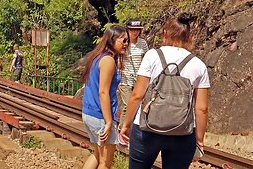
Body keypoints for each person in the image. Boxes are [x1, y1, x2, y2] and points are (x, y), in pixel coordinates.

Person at [119, 13, 210, 169]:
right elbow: (202, 108)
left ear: (165, 33)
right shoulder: (199, 65)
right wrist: (199, 139)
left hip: (146, 129)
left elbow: (137, 95)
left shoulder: (152, 55)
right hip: (182, 132)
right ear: (189, 35)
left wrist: (126, 125)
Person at [82, 25, 129, 169]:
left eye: (128, 41)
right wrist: (109, 122)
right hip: (100, 116)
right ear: (111, 40)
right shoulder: (108, 60)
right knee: (106, 163)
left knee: (97, 155)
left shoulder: (97, 57)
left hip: (89, 113)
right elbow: (103, 92)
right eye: (123, 40)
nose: (126, 44)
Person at [118, 19, 149, 130]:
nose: (135, 32)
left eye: (137, 30)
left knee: (138, 106)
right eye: (132, 30)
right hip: (125, 79)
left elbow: (146, 59)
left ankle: (132, 131)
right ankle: (122, 130)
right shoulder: (123, 42)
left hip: (139, 80)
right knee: (127, 105)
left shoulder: (143, 43)